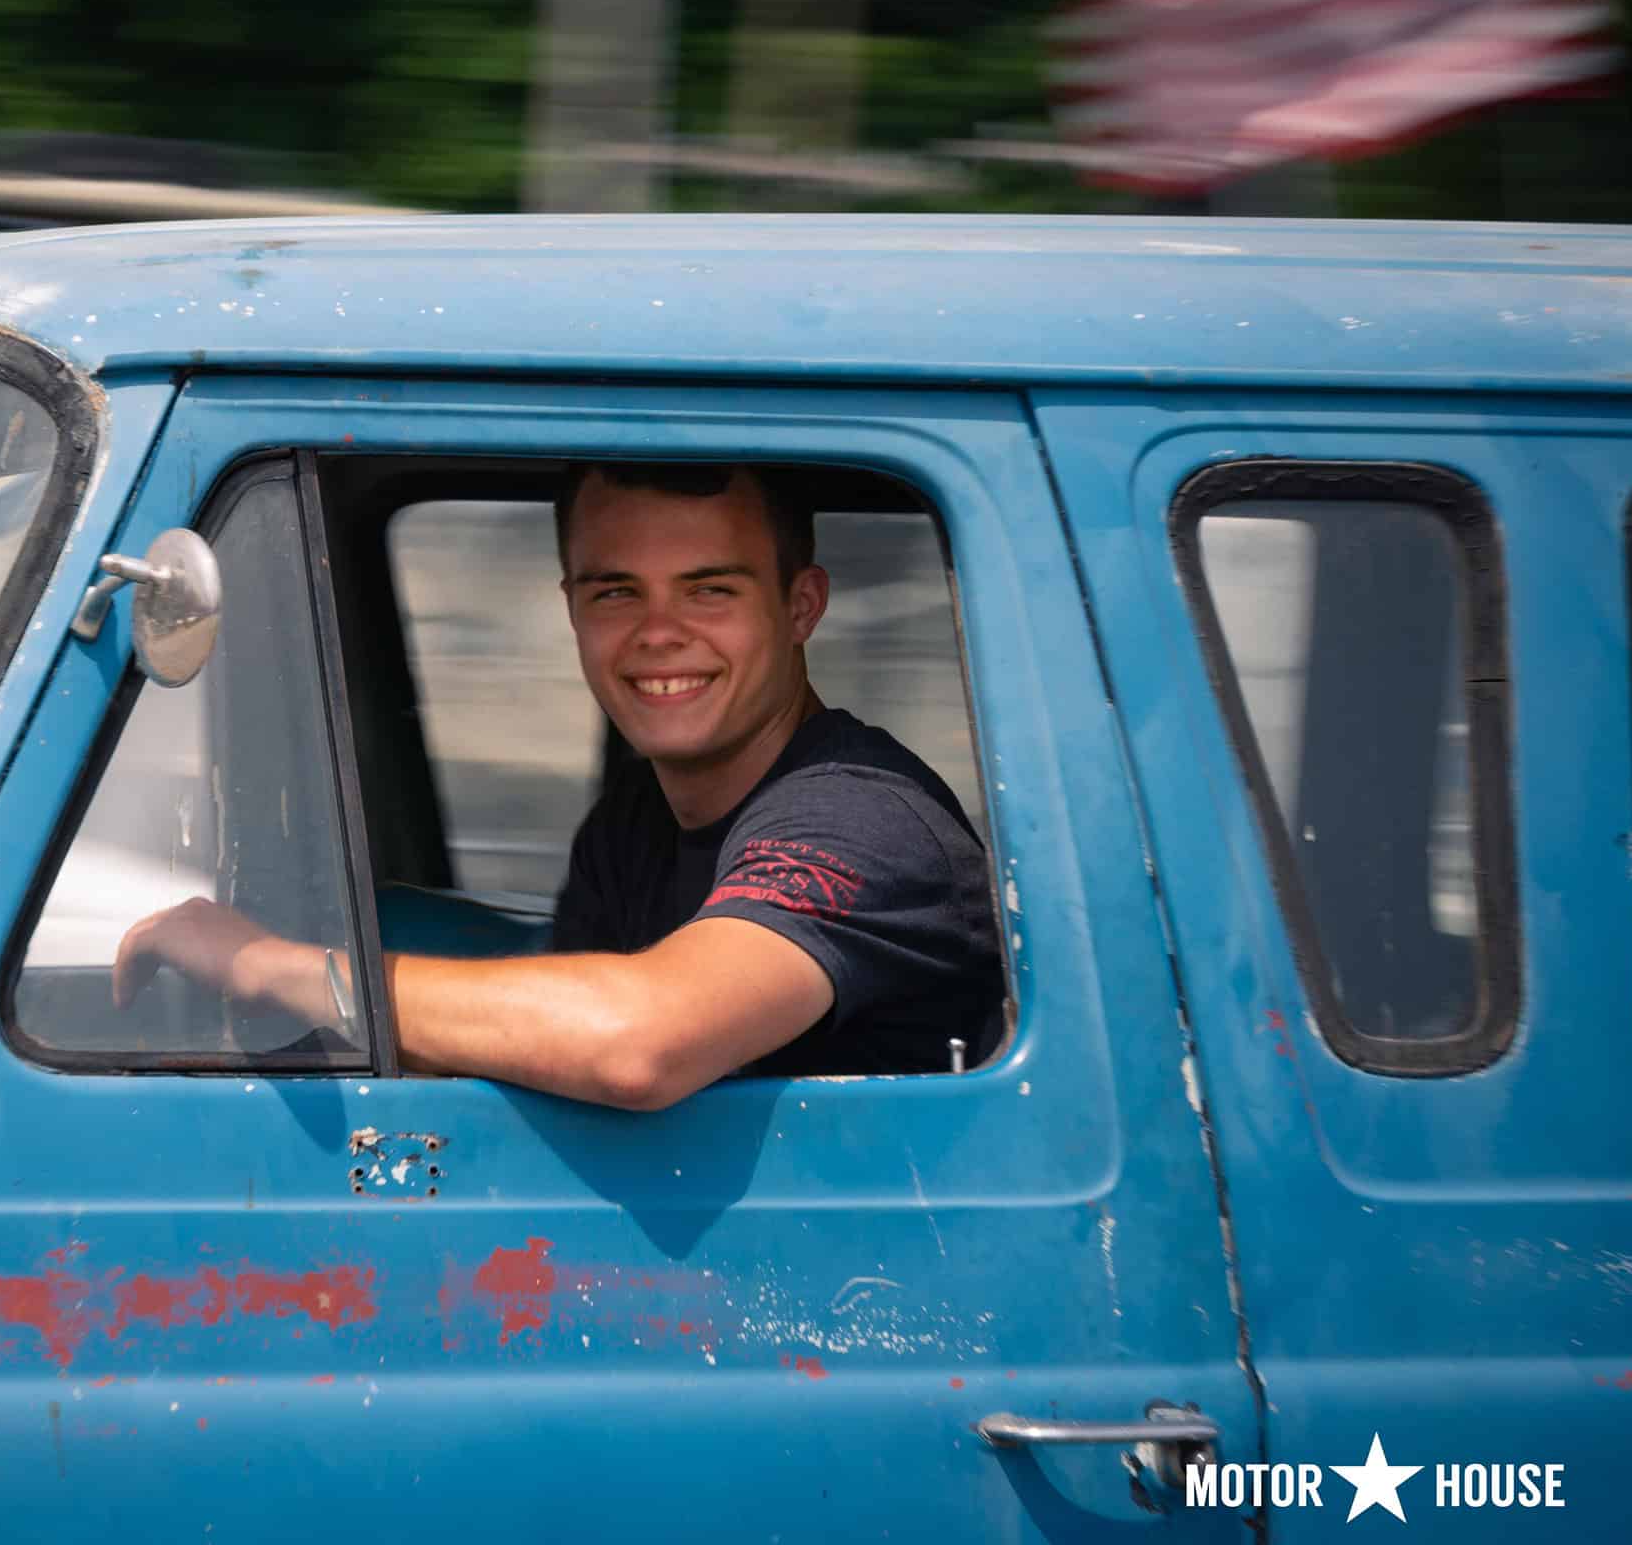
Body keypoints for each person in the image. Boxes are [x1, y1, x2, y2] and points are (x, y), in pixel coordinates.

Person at [111, 462, 1006, 1108]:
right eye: (616, 594)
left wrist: (277, 968)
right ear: (572, 604)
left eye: (709, 592)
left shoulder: (864, 819)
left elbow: (640, 1041)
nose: (659, 635)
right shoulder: (638, 821)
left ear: (801, 605)